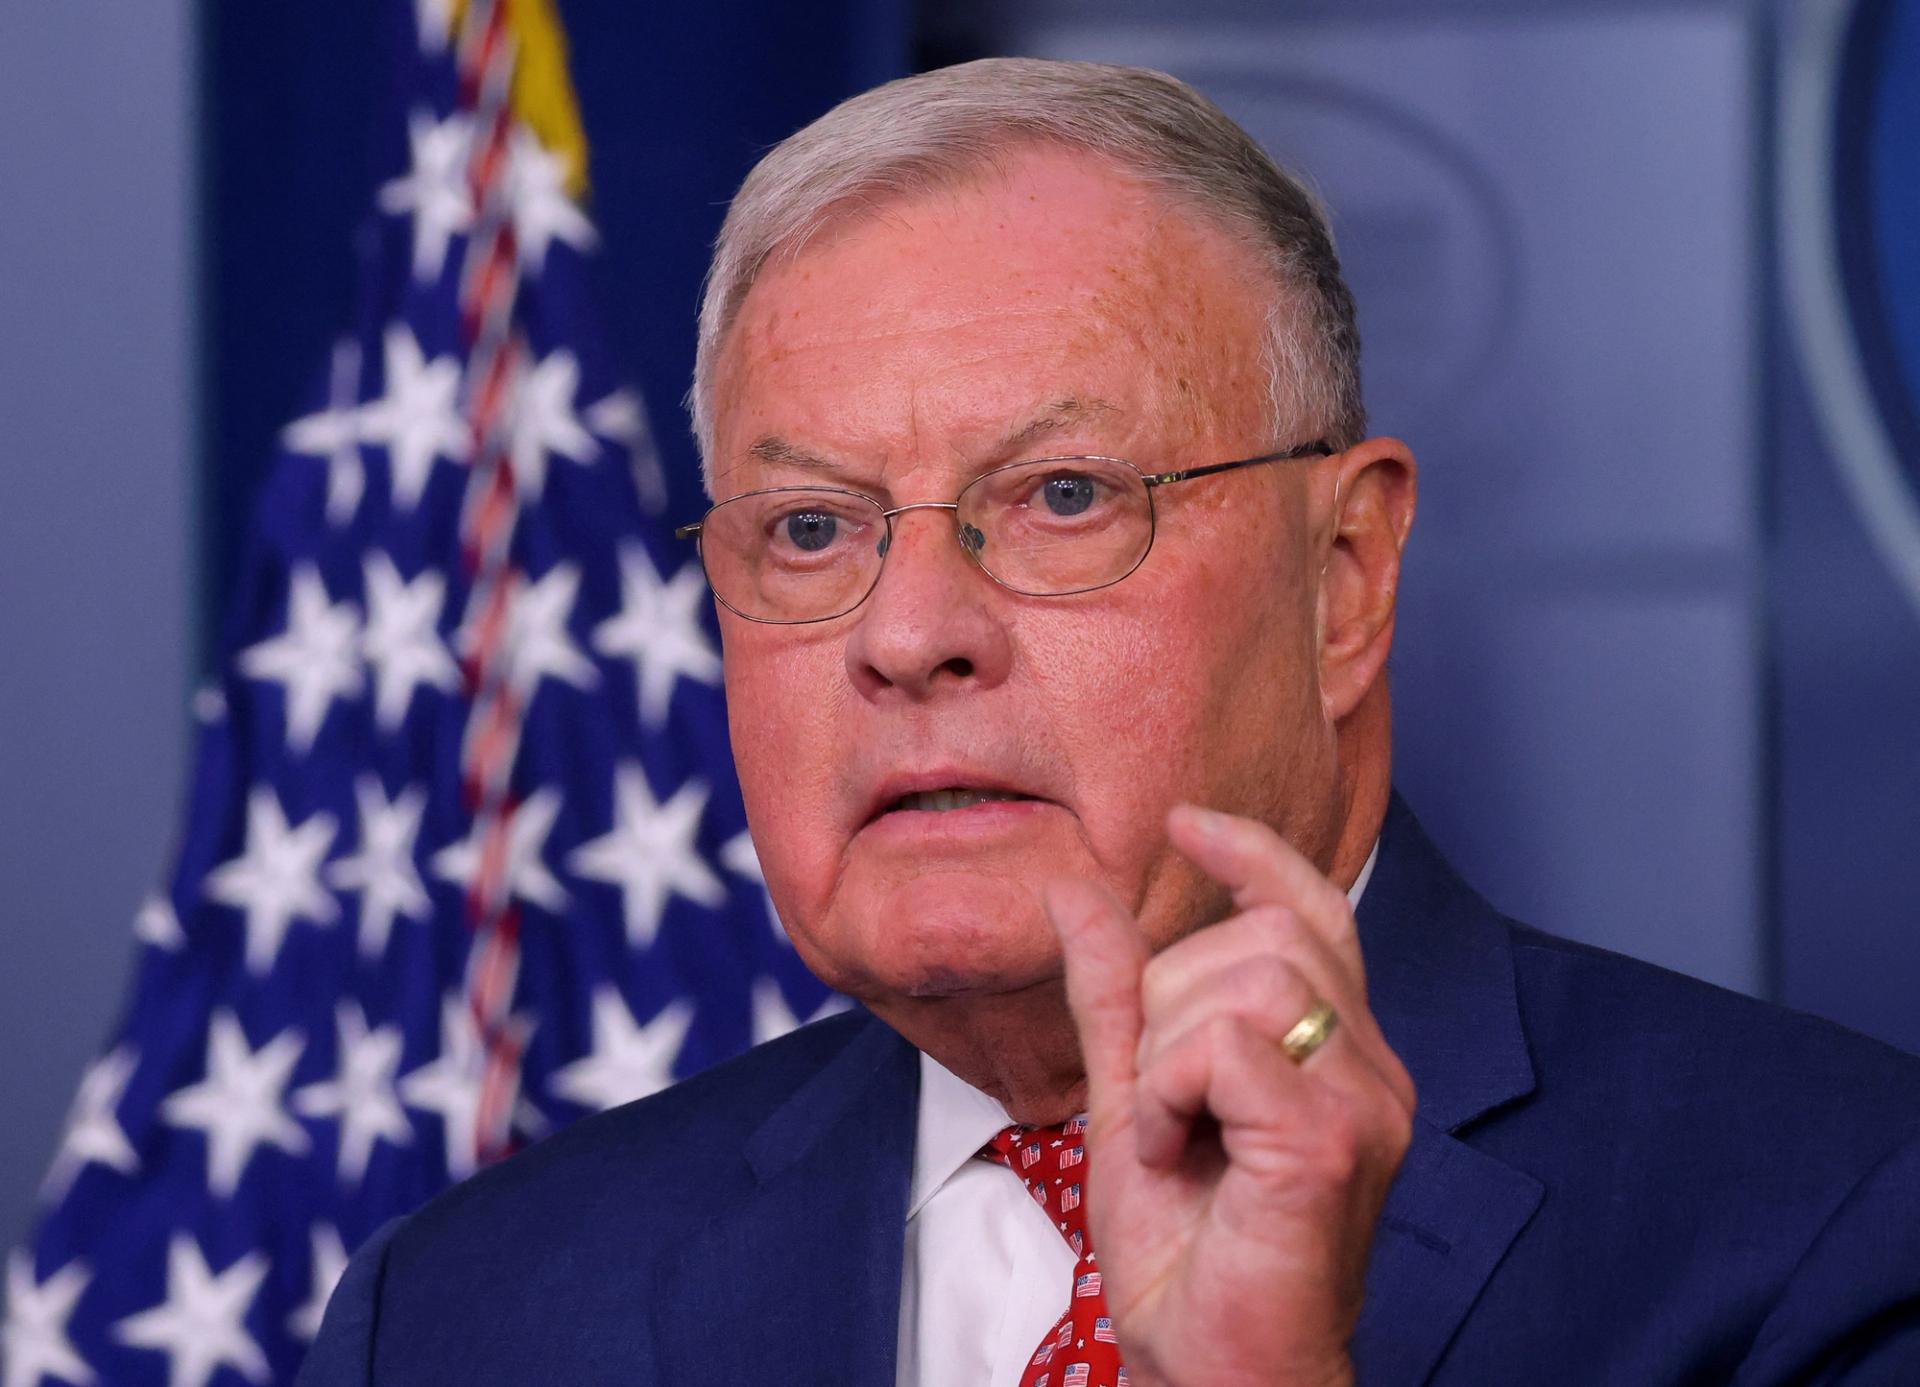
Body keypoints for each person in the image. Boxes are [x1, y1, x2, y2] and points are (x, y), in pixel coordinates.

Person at [300, 58, 1920, 1386]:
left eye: (1063, 497)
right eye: (808, 528)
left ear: (1345, 576)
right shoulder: (461, 1320)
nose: (910, 634)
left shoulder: (1837, 1227)